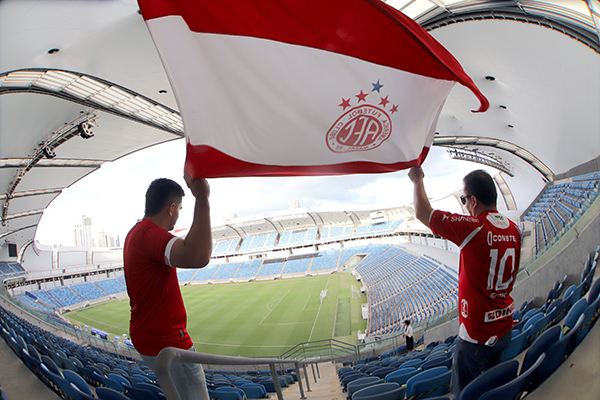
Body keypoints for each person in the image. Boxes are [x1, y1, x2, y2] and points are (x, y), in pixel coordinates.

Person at [408, 167, 521, 400]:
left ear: (474, 201)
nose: (465, 205)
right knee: (493, 387)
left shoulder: (474, 228)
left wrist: (417, 181)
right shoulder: (515, 230)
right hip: (505, 326)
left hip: (477, 337)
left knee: (464, 394)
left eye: (464, 199)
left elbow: (423, 212)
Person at [124, 175, 212, 400]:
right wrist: (202, 196)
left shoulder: (135, 233)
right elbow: (198, 255)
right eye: (180, 208)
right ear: (171, 209)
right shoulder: (149, 235)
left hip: (148, 338)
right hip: (167, 341)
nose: (179, 213)